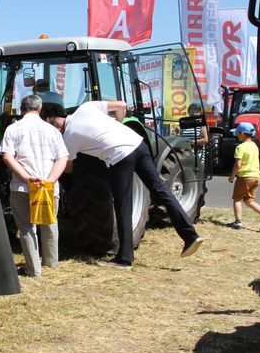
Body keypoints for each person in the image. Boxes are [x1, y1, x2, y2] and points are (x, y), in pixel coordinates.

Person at [42, 101, 203, 269]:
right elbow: (121, 105)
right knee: (160, 190)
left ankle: (125, 258)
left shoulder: (69, 137)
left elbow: (68, 168)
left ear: (53, 125)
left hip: (121, 157)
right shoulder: (86, 107)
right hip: (138, 144)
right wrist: (115, 130)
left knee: (123, 205)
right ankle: (190, 235)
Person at [0, 94, 69, 277]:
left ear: (22, 109)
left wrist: (26, 178)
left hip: (22, 188)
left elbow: (7, 156)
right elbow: (63, 157)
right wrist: (50, 180)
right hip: (48, 188)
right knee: (49, 223)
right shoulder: (52, 130)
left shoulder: (13, 129)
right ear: (39, 110)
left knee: (26, 227)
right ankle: (51, 264)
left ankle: (33, 270)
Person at [227, 122, 260, 231]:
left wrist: (232, 177)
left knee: (237, 199)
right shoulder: (255, 146)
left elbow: (237, 165)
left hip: (244, 177)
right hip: (256, 177)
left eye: (238, 133)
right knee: (249, 200)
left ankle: (238, 222)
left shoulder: (240, 147)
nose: (237, 135)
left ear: (243, 134)